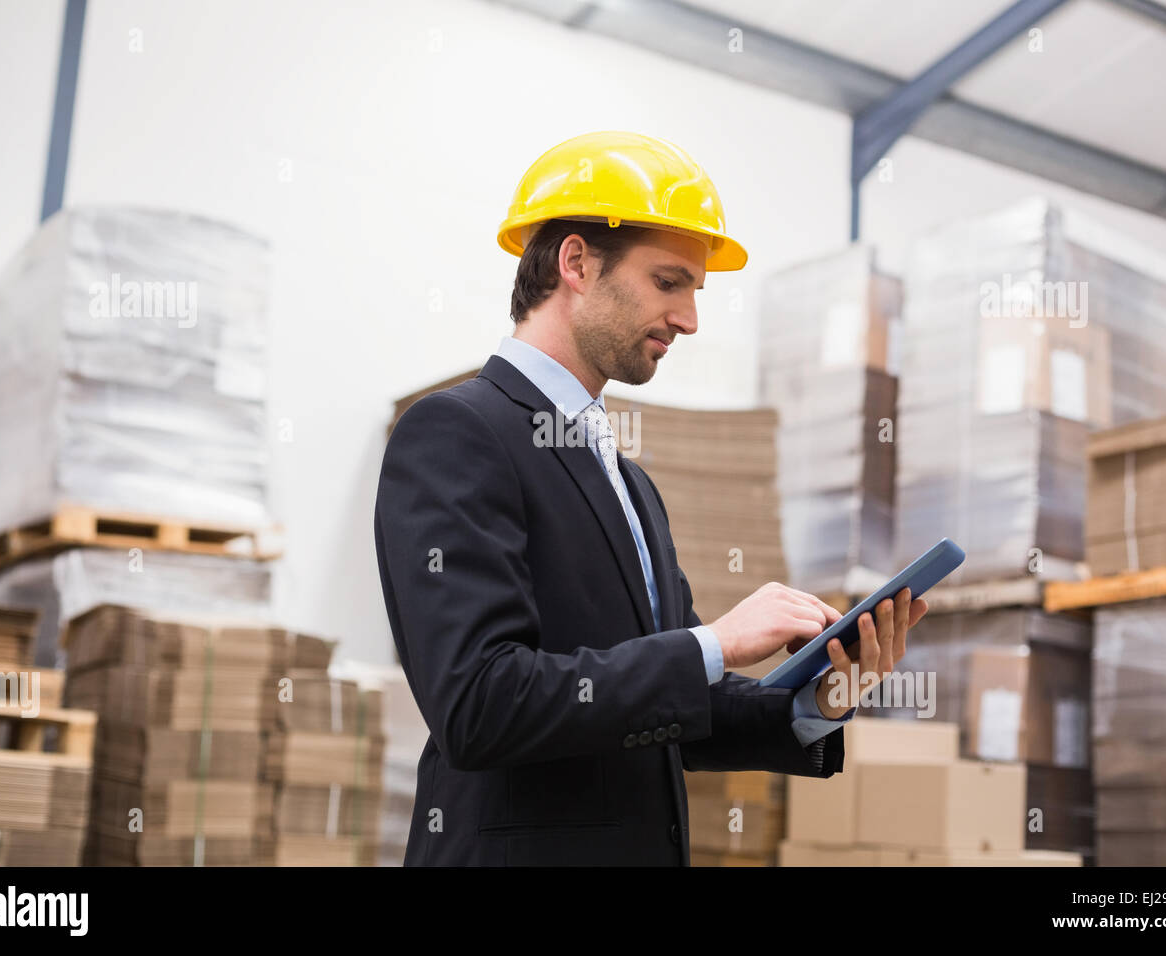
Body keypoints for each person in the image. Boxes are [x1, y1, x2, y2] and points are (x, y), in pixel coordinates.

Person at [373, 131, 928, 866]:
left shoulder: (628, 484)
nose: (690, 319)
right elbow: (480, 705)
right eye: (670, 282)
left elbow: (677, 711)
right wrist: (716, 643)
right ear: (575, 262)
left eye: (695, 291)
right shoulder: (456, 433)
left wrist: (822, 691)